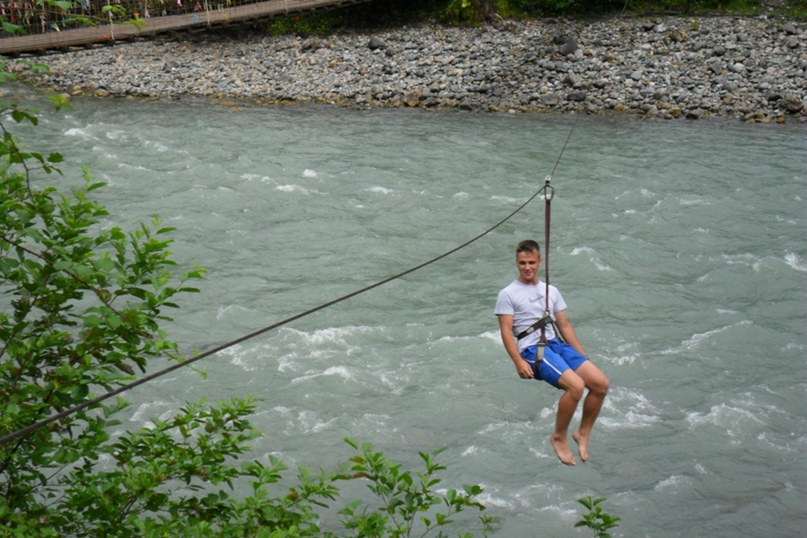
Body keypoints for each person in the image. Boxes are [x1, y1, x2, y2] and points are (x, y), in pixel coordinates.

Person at [495, 239, 609, 466]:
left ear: (540, 262)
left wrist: (582, 356)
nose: (527, 267)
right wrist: (518, 362)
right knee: (576, 387)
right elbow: (506, 332)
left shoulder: (550, 291)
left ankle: (583, 433)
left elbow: (565, 326)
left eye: (531, 263)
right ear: (516, 264)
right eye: (522, 263)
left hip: (556, 344)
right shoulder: (508, 294)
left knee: (600, 384)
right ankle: (559, 437)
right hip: (531, 349)